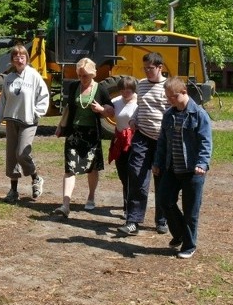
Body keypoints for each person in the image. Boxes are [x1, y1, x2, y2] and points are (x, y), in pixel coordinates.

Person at [154, 77, 212, 259]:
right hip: (172, 168)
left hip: (193, 171)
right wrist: (157, 162)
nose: (170, 100)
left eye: (173, 97)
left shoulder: (199, 114)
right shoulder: (169, 115)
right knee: (164, 200)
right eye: (168, 97)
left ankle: (189, 245)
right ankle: (179, 233)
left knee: (190, 210)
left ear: (184, 92)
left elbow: (205, 142)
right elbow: (162, 142)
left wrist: (202, 164)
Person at [53, 58, 113, 219]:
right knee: (70, 168)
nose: (82, 78)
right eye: (80, 75)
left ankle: (91, 196)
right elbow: (67, 108)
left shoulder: (101, 89)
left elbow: (111, 111)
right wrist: (61, 126)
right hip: (74, 132)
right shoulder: (74, 87)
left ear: (93, 74)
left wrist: (101, 109)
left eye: (85, 75)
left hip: (92, 133)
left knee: (92, 168)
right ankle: (65, 205)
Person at [0, 44, 50, 203]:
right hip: (11, 120)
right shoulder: (8, 78)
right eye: (16, 56)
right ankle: (13, 190)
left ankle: (36, 178)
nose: (19, 58)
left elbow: (44, 96)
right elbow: (2, 101)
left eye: (22, 56)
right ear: (12, 60)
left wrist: (36, 112)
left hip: (28, 121)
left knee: (22, 153)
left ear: (26, 58)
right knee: (11, 156)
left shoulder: (34, 75)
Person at [119, 52, 169, 236]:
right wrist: (133, 119)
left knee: (161, 180)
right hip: (141, 137)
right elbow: (140, 106)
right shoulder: (141, 84)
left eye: (151, 68)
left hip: (162, 140)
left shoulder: (167, 86)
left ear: (160, 68)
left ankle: (162, 220)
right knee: (137, 175)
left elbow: (171, 110)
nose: (148, 71)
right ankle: (133, 221)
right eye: (145, 68)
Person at [108, 76, 138, 218]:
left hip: (135, 142)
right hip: (120, 141)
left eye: (128, 90)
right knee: (123, 175)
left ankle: (131, 208)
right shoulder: (115, 102)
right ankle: (127, 205)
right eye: (122, 90)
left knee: (133, 176)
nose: (125, 93)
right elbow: (105, 110)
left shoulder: (140, 102)